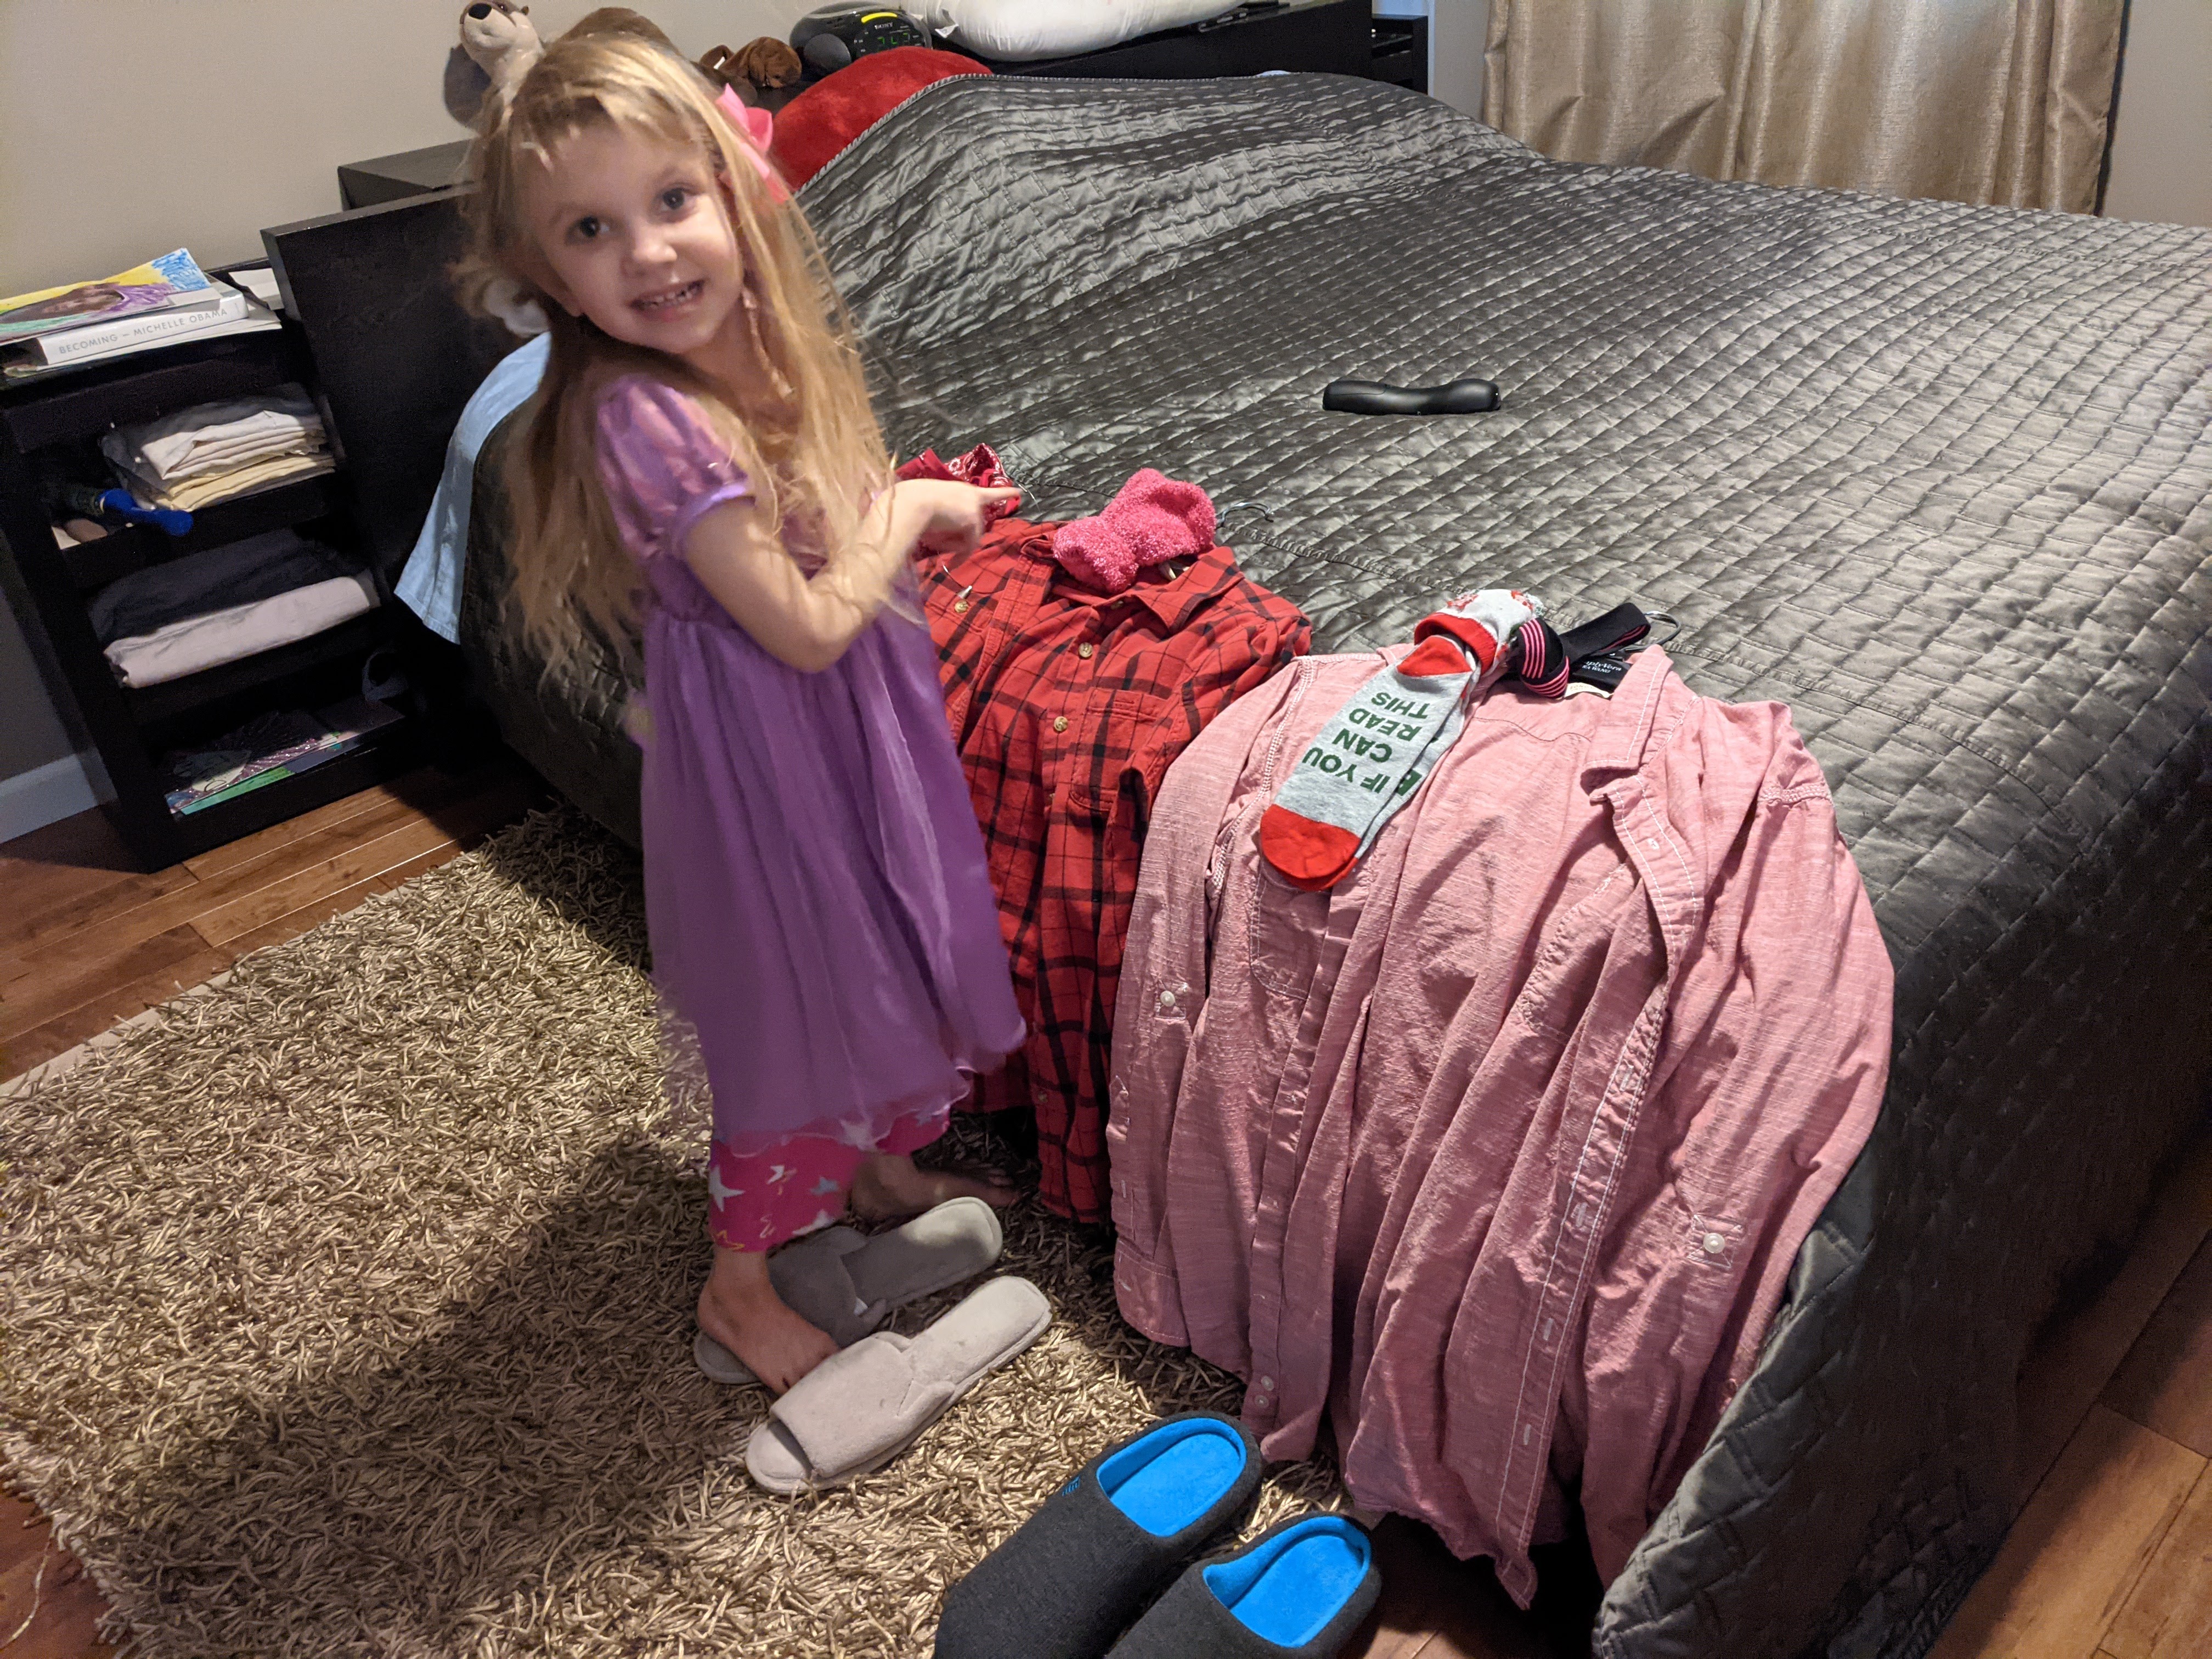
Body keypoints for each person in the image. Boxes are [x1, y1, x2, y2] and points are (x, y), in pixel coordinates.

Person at [455, 26, 1025, 1392]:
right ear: (549, 278)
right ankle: (740, 1280)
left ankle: (880, 1171)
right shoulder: (647, 420)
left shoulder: (752, 339)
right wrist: (910, 511)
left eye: (673, 199)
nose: (651, 254)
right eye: (592, 230)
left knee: (877, 955)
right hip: (775, 753)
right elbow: (807, 625)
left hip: (834, 733)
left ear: (730, 190)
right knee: (795, 1009)